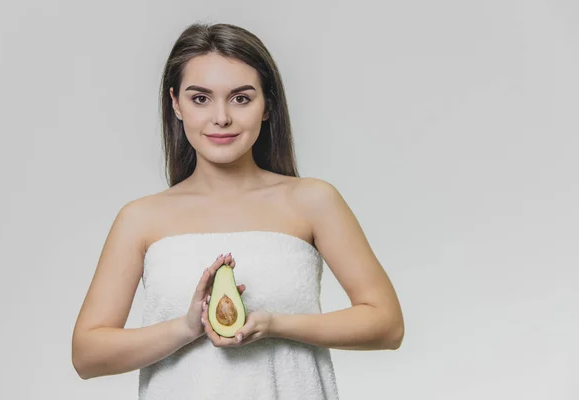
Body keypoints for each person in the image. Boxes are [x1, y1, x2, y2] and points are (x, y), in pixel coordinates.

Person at [72, 22, 404, 400]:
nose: (221, 117)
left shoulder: (313, 201)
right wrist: (186, 328)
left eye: (241, 98)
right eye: (200, 98)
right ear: (176, 105)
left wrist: (276, 324)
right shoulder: (140, 219)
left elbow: (386, 323)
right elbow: (87, 354)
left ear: (268, 107)